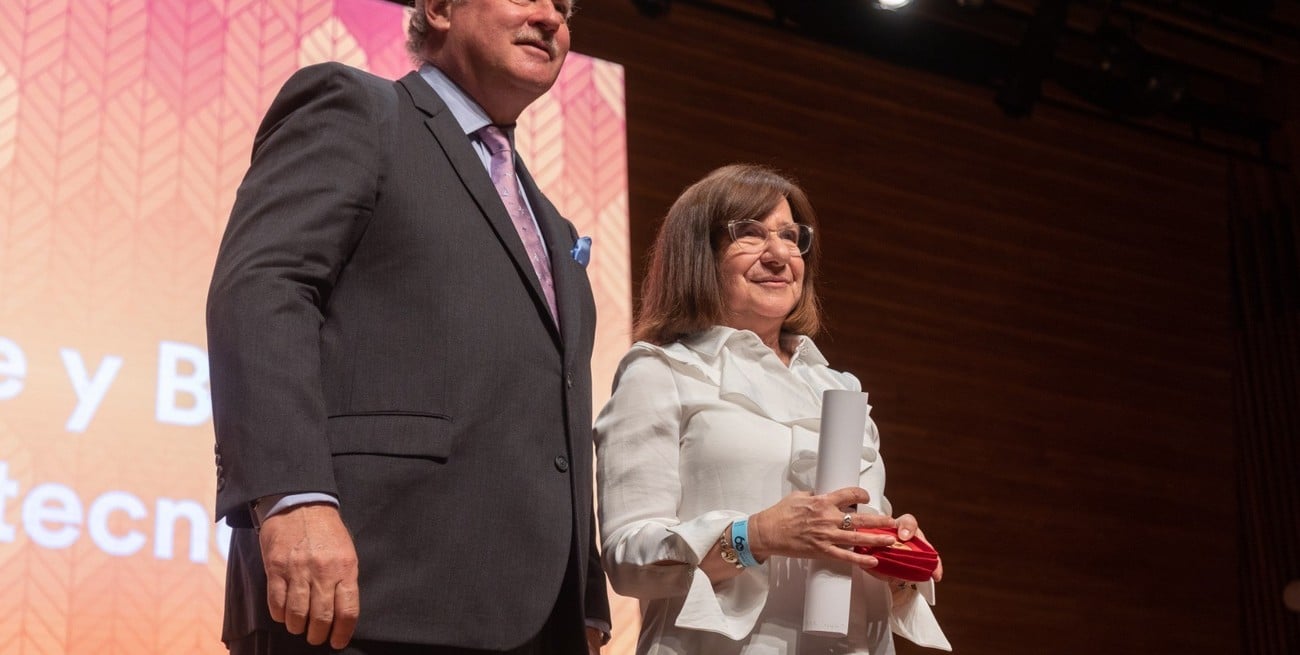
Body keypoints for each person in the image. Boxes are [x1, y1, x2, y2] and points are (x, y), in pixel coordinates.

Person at [206, 1, 610, 653]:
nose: (550, 18)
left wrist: (583, 592)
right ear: (442, 8)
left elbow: (556, 398)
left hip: (530, 622)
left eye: (564, 7)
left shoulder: (551, 224)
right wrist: (290, 496)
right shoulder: (356, 108)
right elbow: (261, 290)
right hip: (361, 597)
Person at [594, 164, 951, 654]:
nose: (781, 254)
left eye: (790, 236)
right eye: (752, 234)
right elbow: (627, 556)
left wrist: (897, 559)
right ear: (701, 253)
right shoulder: (661, 371)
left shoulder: (839, 388)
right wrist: (757, 534)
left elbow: (854, 546)